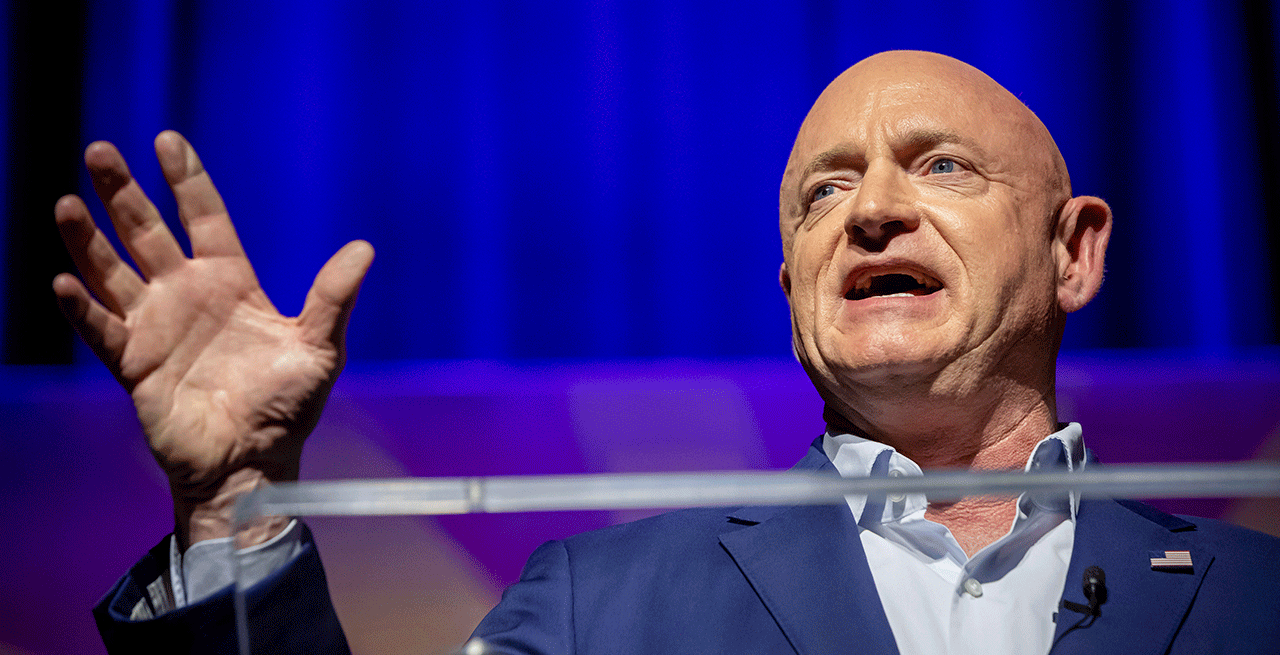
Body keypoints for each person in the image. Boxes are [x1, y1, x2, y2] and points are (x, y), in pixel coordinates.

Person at [61, 51, 1280, 654]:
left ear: (1074, 251)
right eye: (821, 194)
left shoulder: (1258, 599)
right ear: (791, 283)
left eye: (941, 166)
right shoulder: (601, 612)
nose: (869, 213)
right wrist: (227, 510)